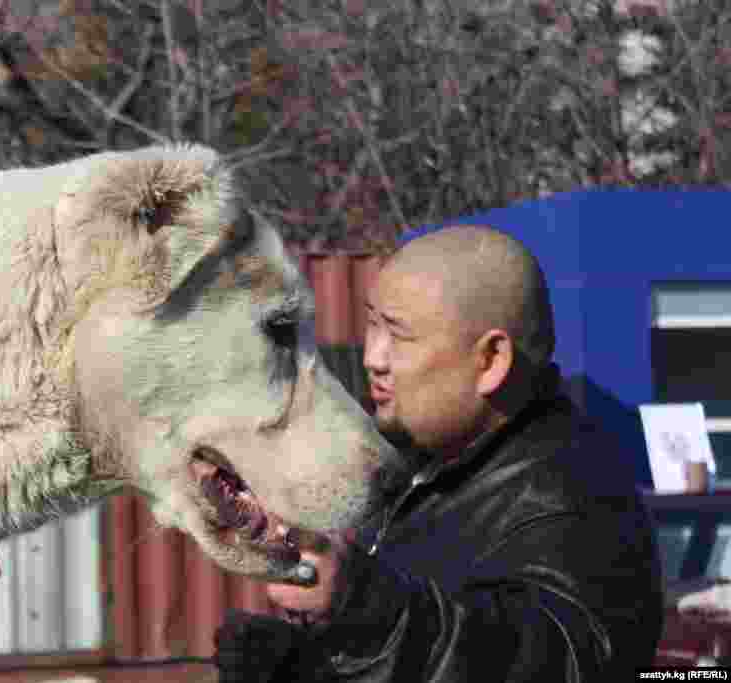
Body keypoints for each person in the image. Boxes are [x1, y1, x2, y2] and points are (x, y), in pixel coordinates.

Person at [213, 224, 665, 682]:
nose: (373, 357)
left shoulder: (574, 497)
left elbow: (559, 662)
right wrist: (296, 662)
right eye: (372, 323)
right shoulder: (426, 462)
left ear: (490, 361)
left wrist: (365, 608)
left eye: (398, 334)